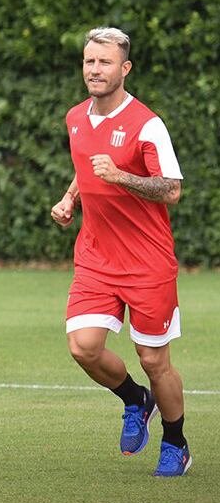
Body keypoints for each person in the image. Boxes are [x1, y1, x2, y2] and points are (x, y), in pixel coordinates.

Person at [51, 27, 190, 477]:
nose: (95, 69)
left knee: (155, 360)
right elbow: (86, 167)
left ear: (124, 69)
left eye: (105, 62)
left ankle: (176, 442)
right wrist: (71, 197)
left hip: (147, 261)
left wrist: (122, 177)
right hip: (96, 255)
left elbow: (171, 189)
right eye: (90, 61)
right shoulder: (75, 117)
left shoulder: (147, 124)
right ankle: (135, 400)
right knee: (83, 347)